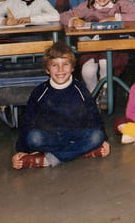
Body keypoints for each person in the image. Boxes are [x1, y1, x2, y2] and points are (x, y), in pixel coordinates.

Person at [11, 41, 109, 169]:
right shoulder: (40, 91)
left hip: (74, 135)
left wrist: (103, 140)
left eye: (65, 64)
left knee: (97, 136)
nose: (60, 70)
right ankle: (78, 152)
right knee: (33, 138)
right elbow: (27, 120)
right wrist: (21, 150)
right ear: (47, 69)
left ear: (72, 68)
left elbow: (94, 116)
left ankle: (50, 158)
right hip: (51, 137)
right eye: (55, 65)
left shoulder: (80, 89)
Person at [60, 0, 135, 106]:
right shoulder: (88, 6)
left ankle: (105, 91)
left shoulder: (120, 4)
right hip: (93, 48)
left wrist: (116, 18)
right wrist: (73, 20)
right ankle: (94, 97)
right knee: (87, 70)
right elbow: (63, 16)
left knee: (105, 63)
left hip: (114, 49)